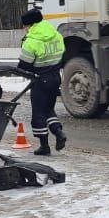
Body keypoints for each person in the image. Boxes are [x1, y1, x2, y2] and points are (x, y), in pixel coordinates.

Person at [17, 9, 66, 156]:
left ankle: (44, 146)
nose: (24, 29)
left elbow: (23, 66)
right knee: (49, 109)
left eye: (25, 26)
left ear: (30, 25)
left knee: (38, 113)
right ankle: (58, 132)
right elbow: (63, 54)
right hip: (55, 78)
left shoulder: (32, 41)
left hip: (40, 80)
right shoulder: (57, 35)